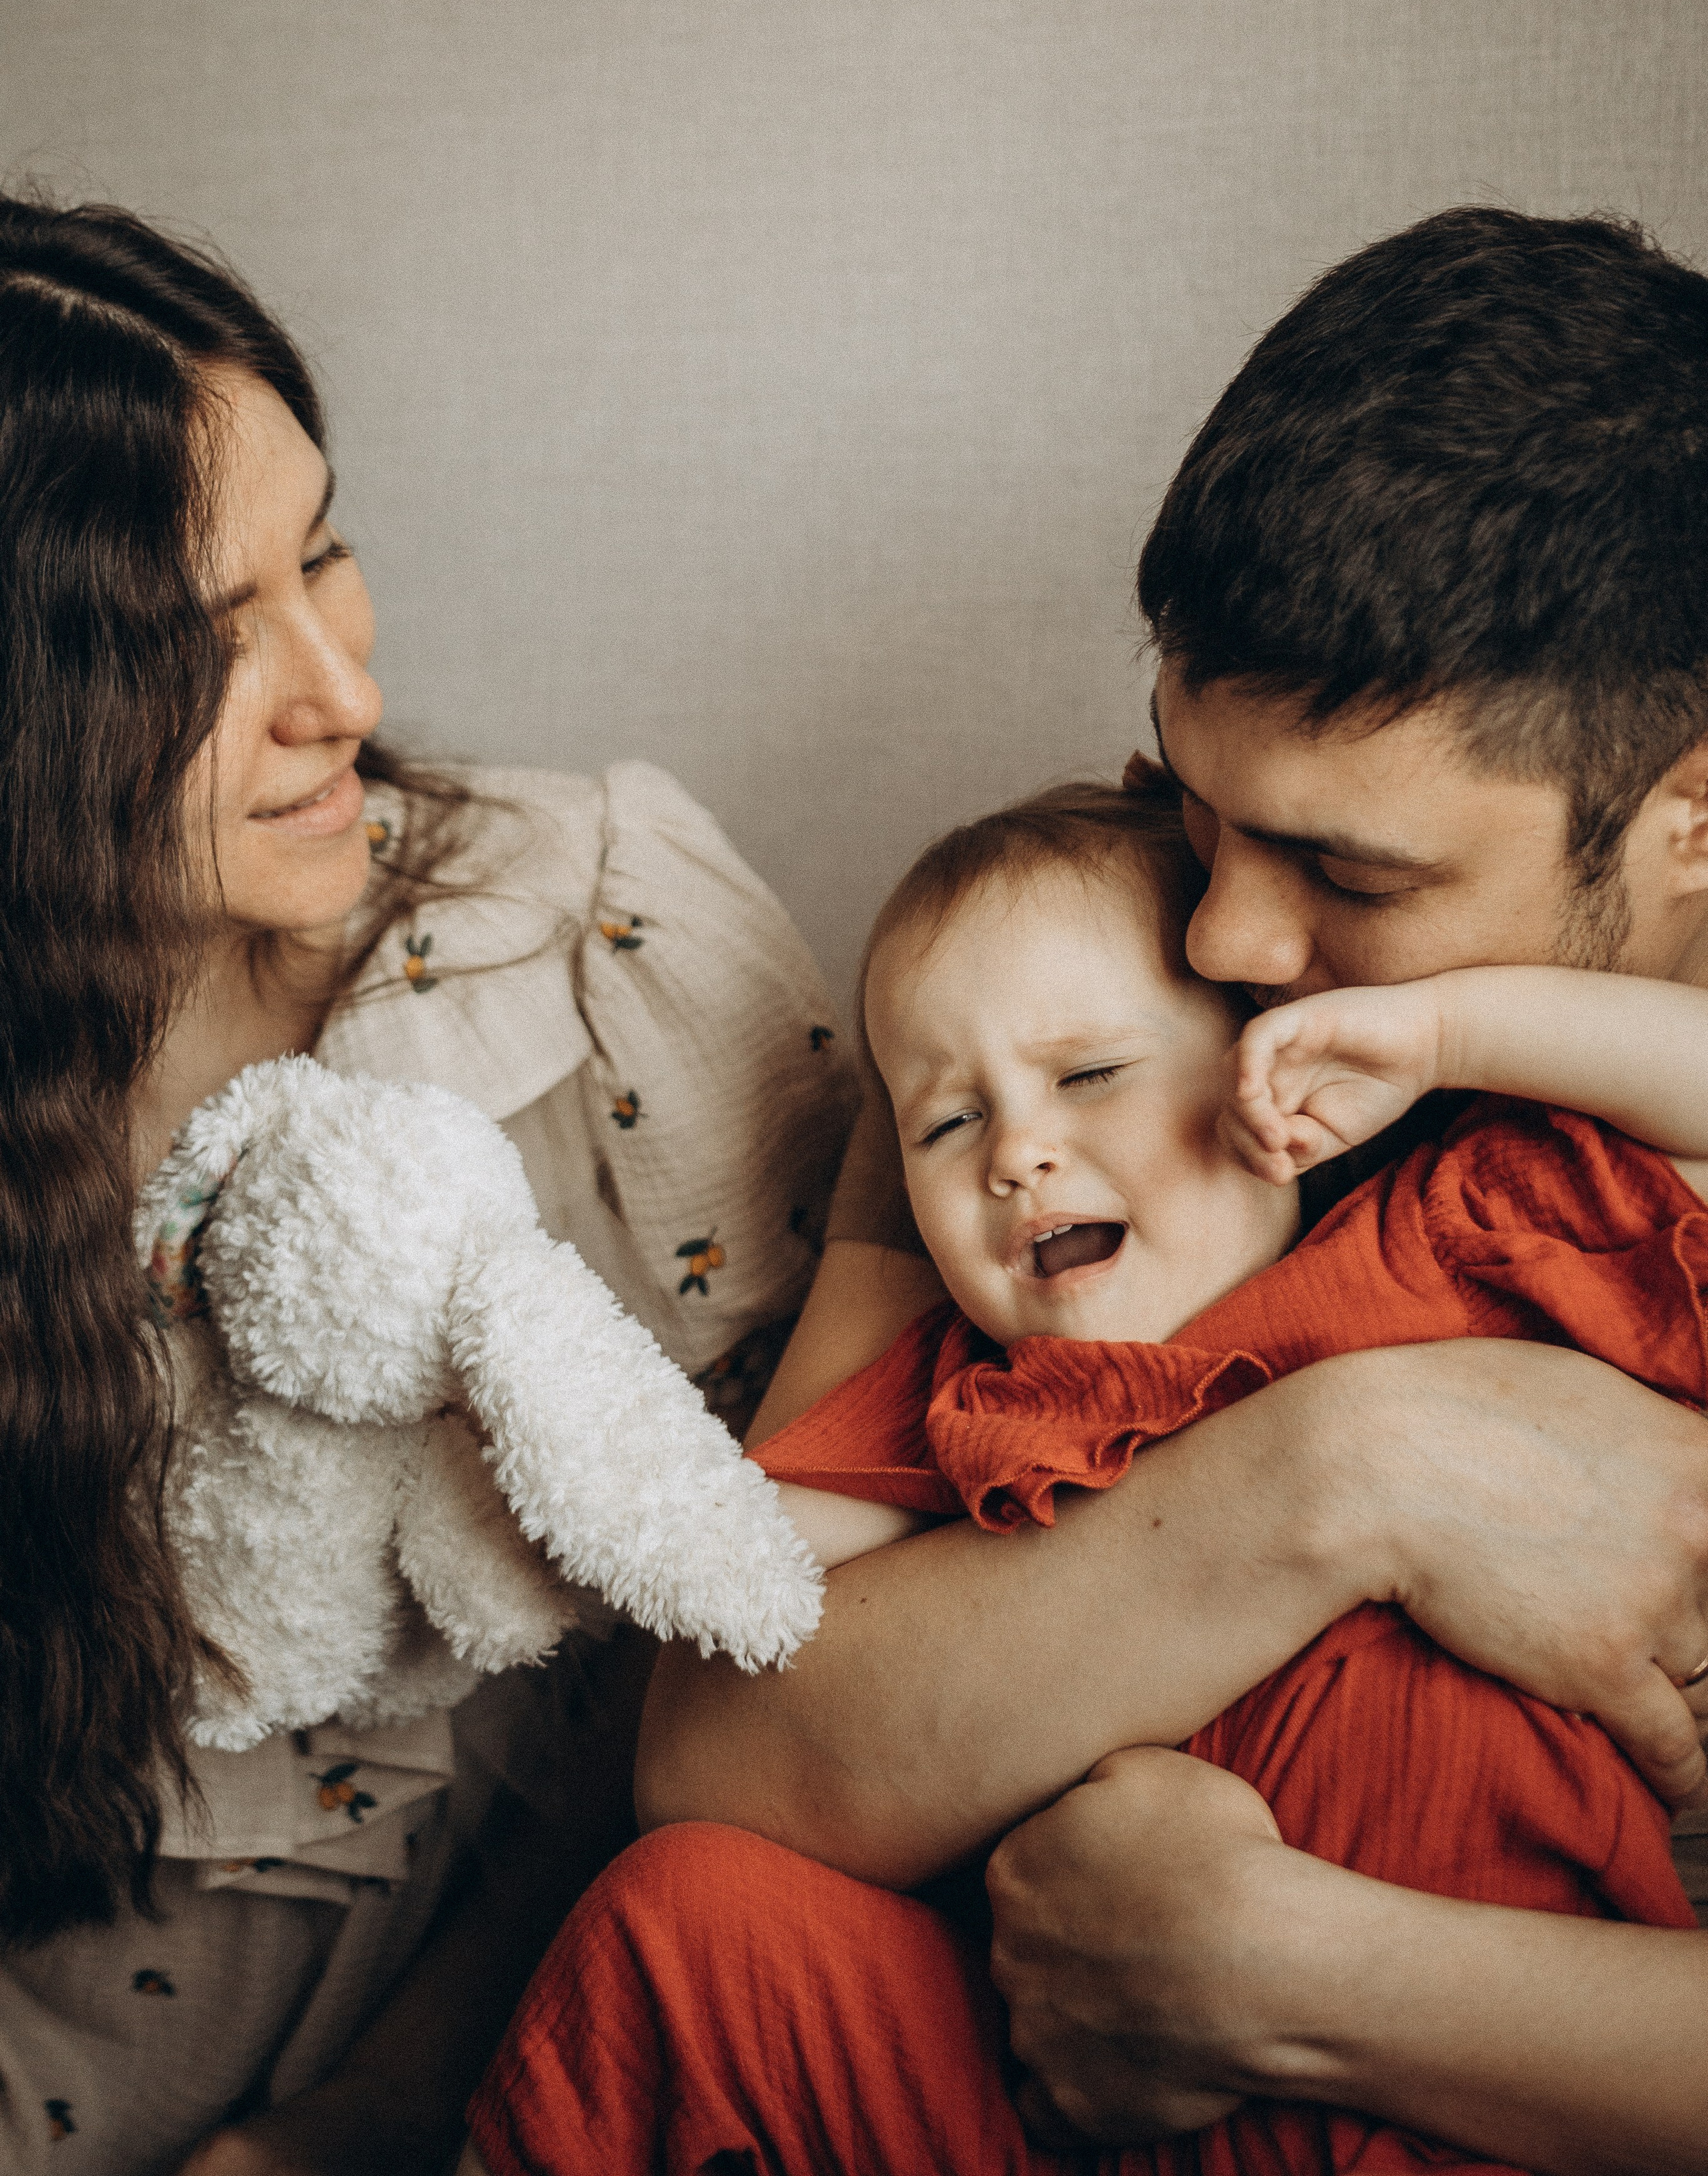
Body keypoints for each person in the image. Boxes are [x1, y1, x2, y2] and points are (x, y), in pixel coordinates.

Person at [633, 209, 1708, 2173]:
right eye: (1188, 803)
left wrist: (1293, 1973)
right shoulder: (1074, 990)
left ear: (1689, 818)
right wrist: (1361, 1469)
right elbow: (729, 1748)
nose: (1221, 931)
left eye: (1350, 878)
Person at [462, 773, 1708, 2175]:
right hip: (1088, 2105)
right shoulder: (967, 1393)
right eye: (946, 1127)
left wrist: (1432, 1031)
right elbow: (740, 1634)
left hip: (1489, 2110)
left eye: (1086, 1076)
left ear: (1280, 1066)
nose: (1015, 1155)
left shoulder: (1439, 1252)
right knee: (676, 1925)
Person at [0, 196, 855, 2176]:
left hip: (479, 2050)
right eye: (205, 649)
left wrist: (374, 2124)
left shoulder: (597, 946)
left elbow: (781, 1657)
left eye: (327, 557)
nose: (340, 695)